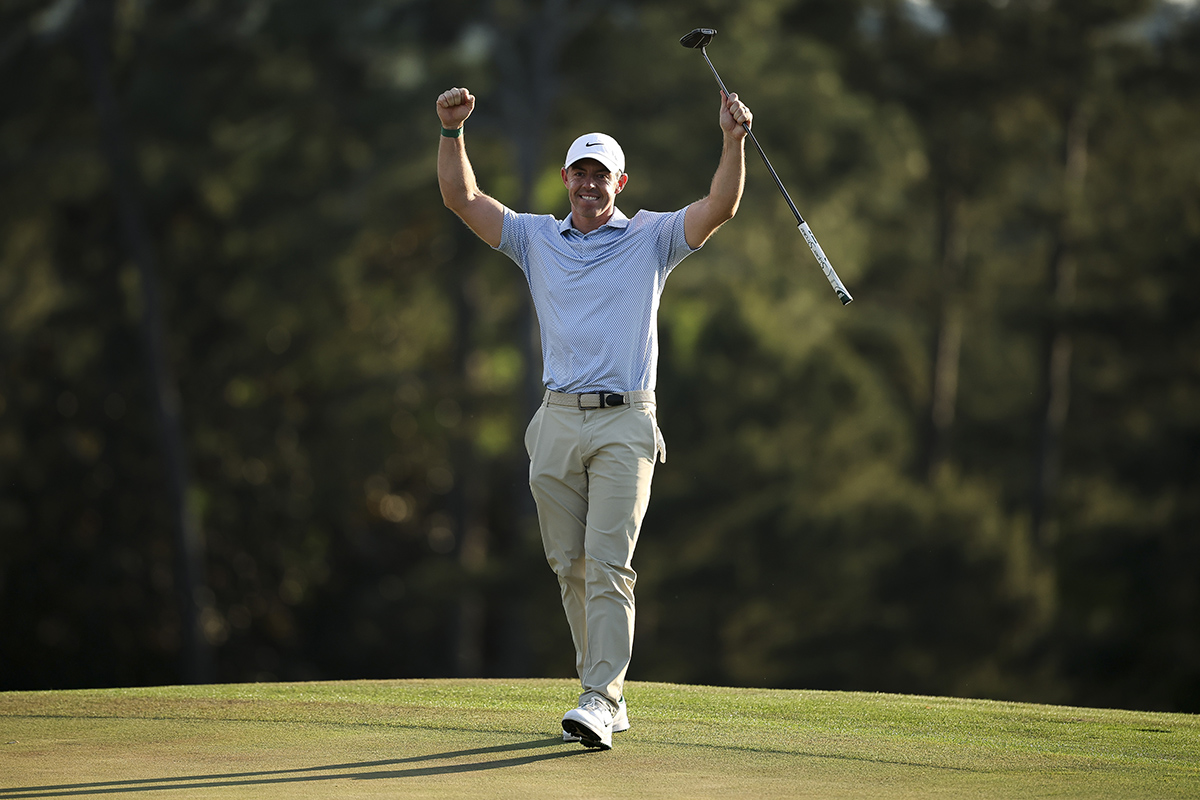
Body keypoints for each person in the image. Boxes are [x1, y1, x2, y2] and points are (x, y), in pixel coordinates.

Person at [435, 85, 752, 750]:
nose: (588, 185)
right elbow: (463, 199)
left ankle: (599, 698)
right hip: (555, 420)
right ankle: (606, 691)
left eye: (600, 175)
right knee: (569, 565)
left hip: (625, 423)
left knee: (608, 563)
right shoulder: (535, 238)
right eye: (579, 173)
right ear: (565, 179)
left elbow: (719, 206)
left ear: (620, 183)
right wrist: (451, 131)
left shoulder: (651, 237)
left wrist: (732, 141)